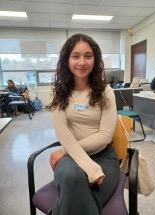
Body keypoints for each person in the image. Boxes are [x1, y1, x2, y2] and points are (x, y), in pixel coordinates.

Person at [49, 33, 120, 215]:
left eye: (88, 56)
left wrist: (63, 150)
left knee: (76, 194)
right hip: (72, 157)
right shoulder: (60, 92)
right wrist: (88, 167)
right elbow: (62, 131)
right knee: (73, 179)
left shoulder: (106, 92)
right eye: (75, 56)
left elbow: (105, 136)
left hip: (103, 156)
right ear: (66, 60)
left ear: (95, 60)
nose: (82, 62)